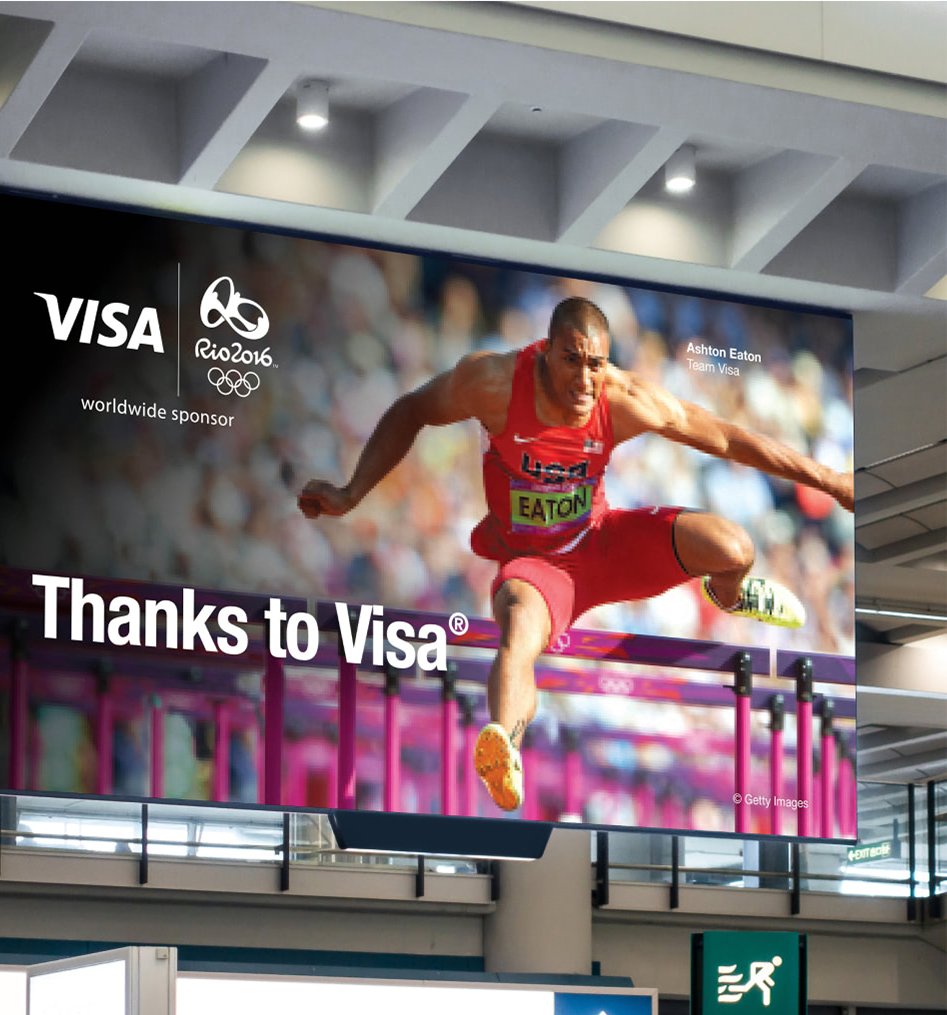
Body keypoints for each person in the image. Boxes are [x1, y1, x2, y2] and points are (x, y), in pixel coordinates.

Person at [298, 298, 854, 813]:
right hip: (539, 570)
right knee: (517, 629)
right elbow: (411, 409)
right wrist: (351, 493)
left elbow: (728, 439)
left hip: (603, 545)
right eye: (572, 361)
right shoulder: (492, 383)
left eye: (596, 363)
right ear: (543, 350)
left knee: (735, 549)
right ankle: (505, 748)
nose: (586, 380)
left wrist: (827, 479)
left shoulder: (621, 397)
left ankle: (727, 593)